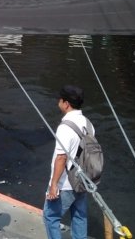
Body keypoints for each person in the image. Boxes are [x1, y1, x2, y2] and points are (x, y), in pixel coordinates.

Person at [43, 85, 95, 239]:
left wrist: (54, 185)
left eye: (60, 99)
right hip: (83, 180)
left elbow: (61, 158)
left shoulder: (65, 128)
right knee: (80, 216)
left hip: (66, 183)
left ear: (66, 104)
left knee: (50, 217)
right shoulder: (88, 124)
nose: (58, 102)